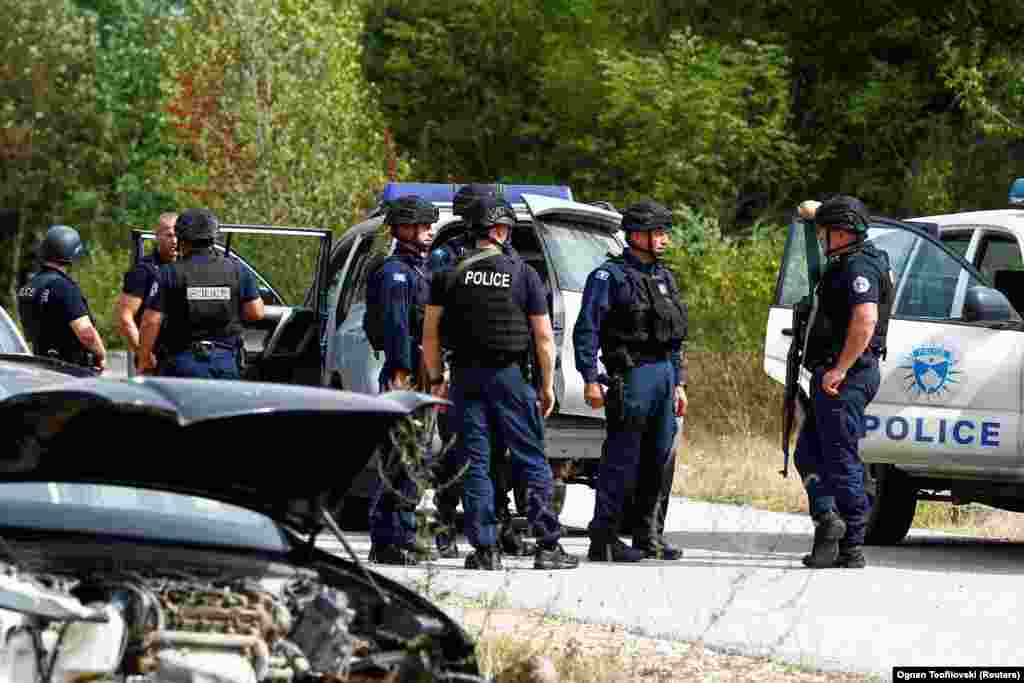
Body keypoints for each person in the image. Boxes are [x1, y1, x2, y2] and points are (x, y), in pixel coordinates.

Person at [422, 195, 578, 571]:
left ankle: (485, 550)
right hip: (509, 377)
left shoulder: (448, 274)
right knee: (529, 459)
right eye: (506, 227)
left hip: (464, 379)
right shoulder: (523, 274)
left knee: (474, 463)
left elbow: (430, 336)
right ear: (497, 229)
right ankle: (547, 545)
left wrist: (436, 379)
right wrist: (546, 385)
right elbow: (543, 338)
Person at [573, 199, 688, 563]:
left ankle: (647, 534)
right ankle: (604, 537)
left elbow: (673, 336)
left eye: (665, 233)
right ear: (636, 235)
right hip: (632, 374)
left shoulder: (664, 277)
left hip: (664, 377)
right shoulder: (609, 277)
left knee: (658, 459)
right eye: (657, 233)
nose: (664, 239)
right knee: (621, 459)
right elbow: (587, 330)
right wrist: (590, 378)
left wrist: (679, 383)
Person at [428, 183, 537, 559]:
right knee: (461, 457)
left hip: (468, 373)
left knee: (491, 460)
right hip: (479, 371)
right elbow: (432, 319)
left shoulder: (474, 260)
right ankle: (447, 526)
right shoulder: (449, 257)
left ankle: (494, 532)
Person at [794, 196, 892, 569]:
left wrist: (840, 368)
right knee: (808, 452)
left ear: (843, 233)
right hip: (838, 375)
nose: (821, 239)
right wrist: (818, 214)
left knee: (841, 458)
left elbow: (866, 320)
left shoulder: (859, 267)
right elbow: (815, 209)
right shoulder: (863, 258)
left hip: (845, 376)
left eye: (825, 233)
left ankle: (851, 544)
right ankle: (828, 519)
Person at [363, 195, 448, 565]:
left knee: (412, 456)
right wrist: (400, 369)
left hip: (423, 370)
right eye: (422, 227)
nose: (428, 233)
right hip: (406, 373)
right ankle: (392, 536)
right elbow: (396, 325)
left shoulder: (422, 268)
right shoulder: (395, 272)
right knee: (403, 456)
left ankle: (396, 533)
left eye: (430, 227)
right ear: (402, 229)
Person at [137, 208, 264, 378]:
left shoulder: (169, 273)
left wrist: (145, 359)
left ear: (181, 238)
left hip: (182, 363)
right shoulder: (237, 269)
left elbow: (150, 321)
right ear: (213, 236)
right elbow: (256, 312)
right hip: (225, 363)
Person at [17, 225, 106, 370]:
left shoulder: (28, 287)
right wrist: (101, 355)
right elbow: (86, 334)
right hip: (70, 370)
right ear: (72, 253)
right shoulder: (63, 287)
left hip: (40, 366)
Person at [116, 212, 178, 365]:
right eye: (169, 235)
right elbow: (125, 317)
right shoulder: (143, 270)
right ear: (157, 236)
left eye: (178, 235)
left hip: (183, 359)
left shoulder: (189, 268)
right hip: (155, 358)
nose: (175, 241)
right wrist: (144, 355)